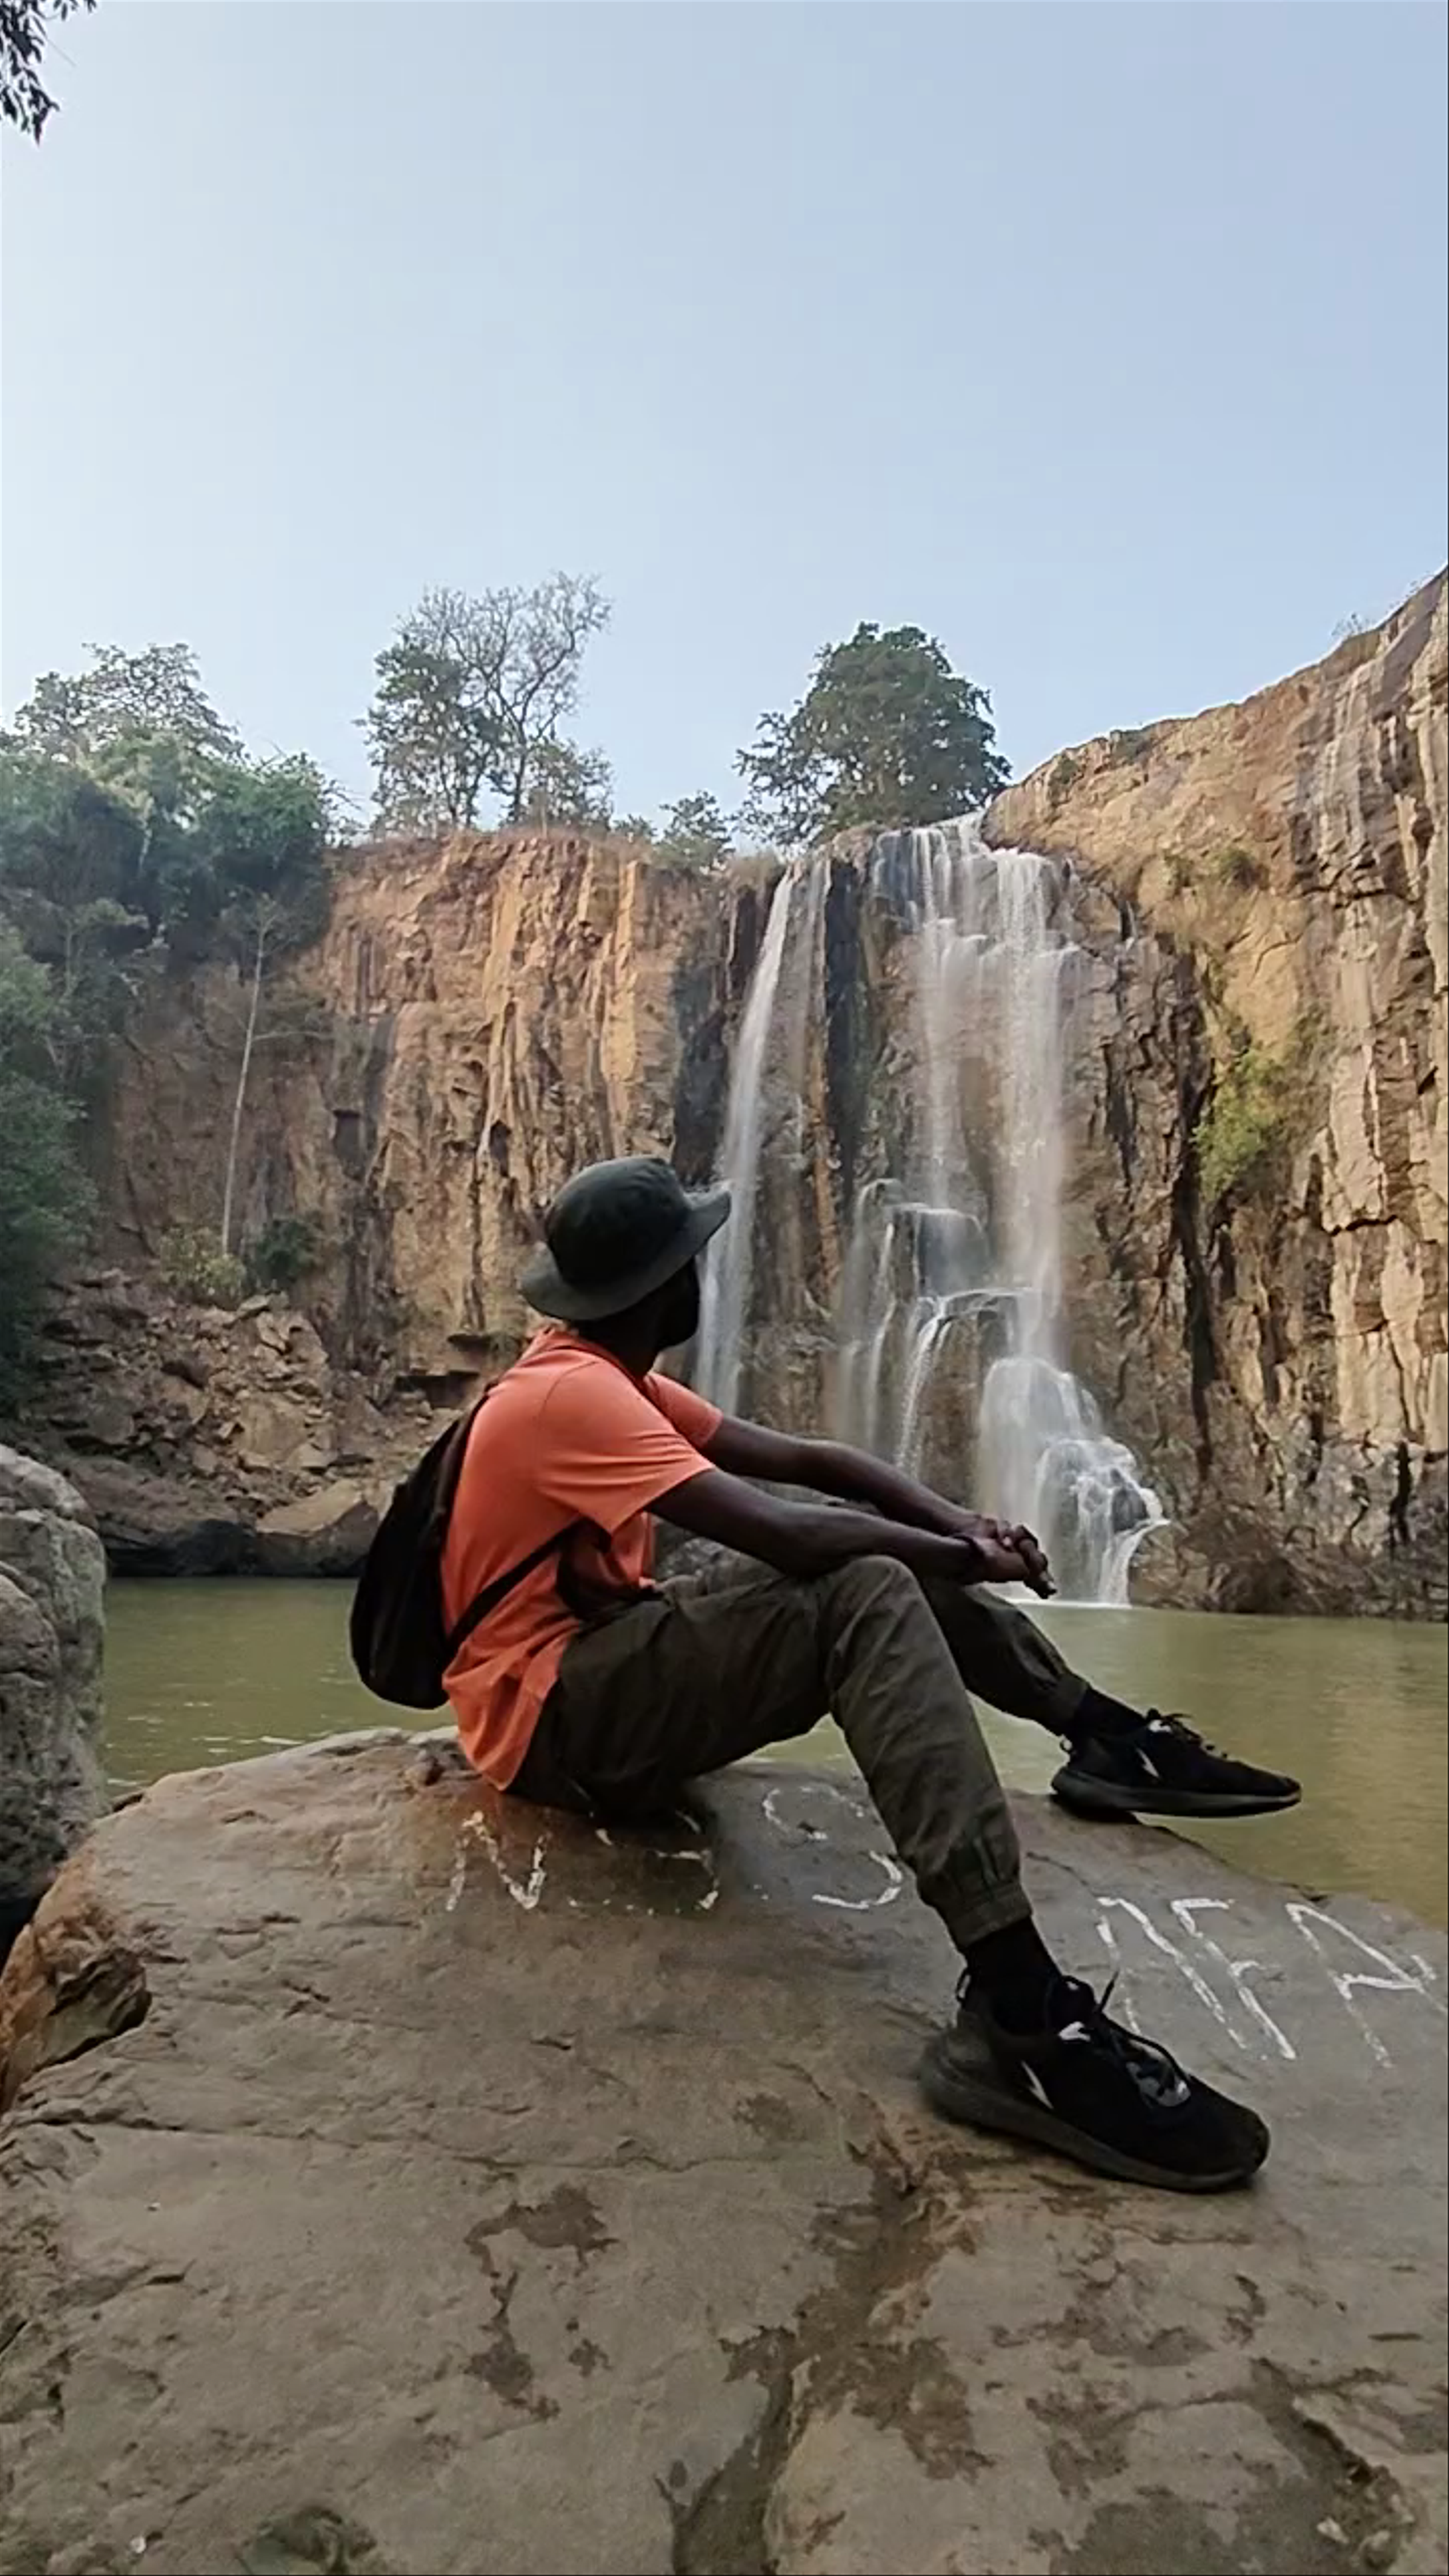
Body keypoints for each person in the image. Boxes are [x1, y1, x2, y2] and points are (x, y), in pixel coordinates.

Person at [442, 1157, 1300, 2193]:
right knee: (863, 1580)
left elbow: (813, 1465)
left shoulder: (602, 1370)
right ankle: (1020, 2014)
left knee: (869, 1551)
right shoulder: (569, 1399)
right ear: (669, 1289)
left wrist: (956, 1522)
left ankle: (1108, 1736)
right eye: (695, 1260)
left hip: (605, 1664)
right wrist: (959, 1559)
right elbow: (784, 1531)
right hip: (556, 1722)